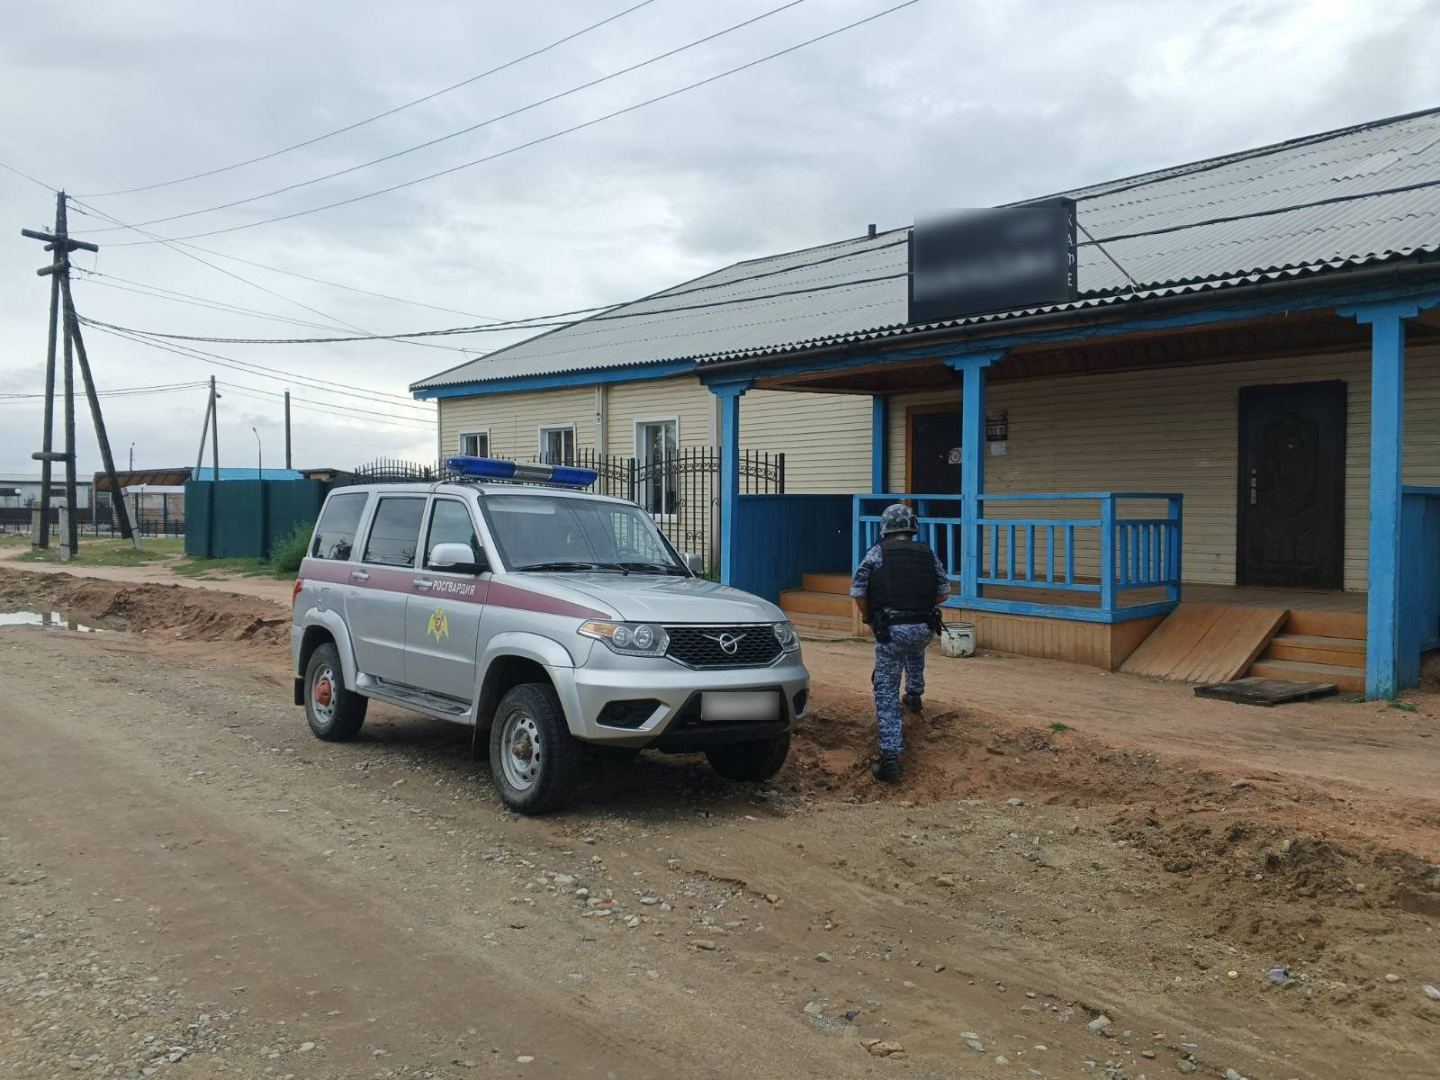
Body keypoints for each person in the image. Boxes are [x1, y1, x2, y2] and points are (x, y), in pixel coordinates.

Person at [850, 503, 949, 783]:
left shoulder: (876, 553)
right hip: (924, 629)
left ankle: (890, 757)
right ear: (912, 527)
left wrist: (869, 618)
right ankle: (915, 693)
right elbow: (944, 593)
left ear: (885, 527)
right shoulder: (928, 553)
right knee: (915, 647)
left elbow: (858, 591)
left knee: (885, 689)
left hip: (892, 630)